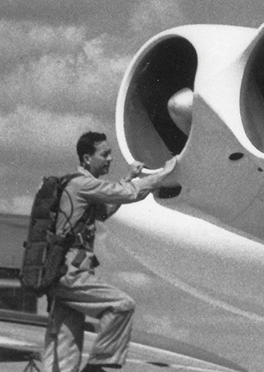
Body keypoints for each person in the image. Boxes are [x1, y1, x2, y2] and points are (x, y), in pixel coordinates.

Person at [26, 131, 175, 372]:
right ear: (87, 158)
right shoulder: (81, 184)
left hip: (60, 274)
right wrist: (162, 175)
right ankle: (100, 367)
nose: (110, 159)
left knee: (64, 351)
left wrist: (130, 178)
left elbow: (106, 208)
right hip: (71, 273)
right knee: (121, 305)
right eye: (104, 154)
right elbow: (127, 194)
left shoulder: (78, 186)